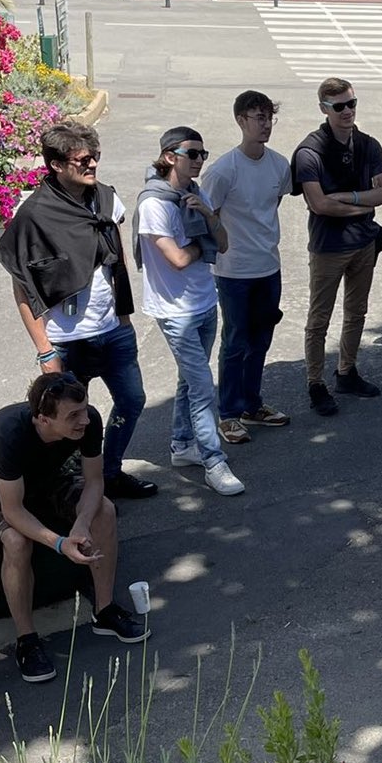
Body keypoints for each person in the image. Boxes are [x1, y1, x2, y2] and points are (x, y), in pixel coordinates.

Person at [0, 121, 157, 500]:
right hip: (66, 340)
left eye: (95, 157)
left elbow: (116, 262)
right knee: (65, 422)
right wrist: (45, 350)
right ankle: (67, 488)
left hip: (112, 330)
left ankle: (109, 472)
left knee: (132, 401)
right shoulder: (34, 214)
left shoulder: (105, 199)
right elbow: (23, 286)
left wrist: (124, 318)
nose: (92, 165)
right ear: (56, 164)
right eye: (83, 159)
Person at [0, 372, 149, 683]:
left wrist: (82, 521)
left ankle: (104, 610)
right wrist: (61, 543)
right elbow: (13, 511)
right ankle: (27, 640)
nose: (84, 421)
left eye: (84, 410)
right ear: (42, 419)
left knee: (102, 510)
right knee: (16, 541)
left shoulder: (87, 421)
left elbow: (94, 482)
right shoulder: (8, 433)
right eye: (72, 415)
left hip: (46, 479)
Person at [136, 126, 245, 496]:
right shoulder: (154, 204)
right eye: (192, 153)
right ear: (170, 156)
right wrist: (204, 242)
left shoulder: (194, 194)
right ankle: (214, 461)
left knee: (189, 381)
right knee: (202, 387)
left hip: (204, 302)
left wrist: (210, 220)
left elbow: (225, 243)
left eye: (203, 154)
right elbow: (180, 259)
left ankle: (183, 446)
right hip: (175, 311)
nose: (199, 160)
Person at [291, 78, 382, 417]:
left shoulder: (368, 144)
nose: (347, 111)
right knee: (319, 318)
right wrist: (364, 206)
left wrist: (348, 200)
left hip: (363, 243)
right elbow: (319, 205)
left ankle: (346, 371)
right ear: (323, 108)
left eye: (351, 104)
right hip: (328, 247)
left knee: (357, 311)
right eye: (339, 106)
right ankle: (315, 382)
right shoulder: (309, 152)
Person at [203, 90, 295, 444]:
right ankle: (228, 413)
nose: (265, 124)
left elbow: (273, 206)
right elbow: (207, 214)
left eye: (268, 117)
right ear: (241, 121)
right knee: (236, 341)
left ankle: (252, 405)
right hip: (234, 271)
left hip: (269, 266)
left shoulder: (278, 165)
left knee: (261, 340)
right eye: (258, 118)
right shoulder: (224, 170)